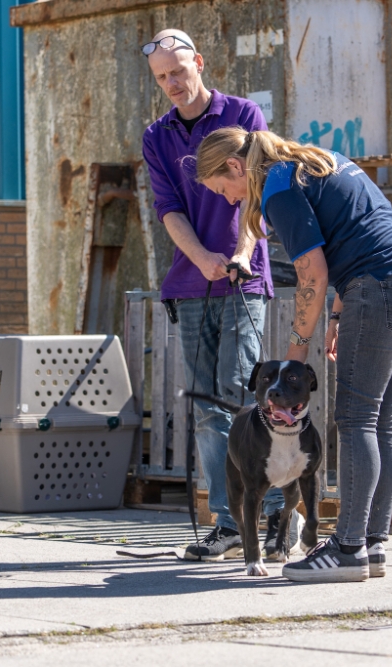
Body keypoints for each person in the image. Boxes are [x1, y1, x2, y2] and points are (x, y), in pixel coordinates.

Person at [196, 128, 392, 582]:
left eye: (223, 190)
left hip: (382, 285)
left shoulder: (276, 185)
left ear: (235, 167)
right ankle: (372, 542)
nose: (230, 200)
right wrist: (335, 315)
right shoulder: (319, 160)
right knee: (384, 416)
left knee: (357, 418)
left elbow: (312, 270)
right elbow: (356, 232)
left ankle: (348, 548)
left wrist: (293, 355)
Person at [141, 29, 299, 561]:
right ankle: (230, 523)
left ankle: (274, 518)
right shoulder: (156, 136)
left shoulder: (244, 115)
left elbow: (257, 193)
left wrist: (237, 254)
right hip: (190, 284)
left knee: (242, 396)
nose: (171, 85)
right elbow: (169, 209)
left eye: (178, 72)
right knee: (209, 407)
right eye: (161, 77)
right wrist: (200, 258)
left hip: (241, 278)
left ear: (199, 64)